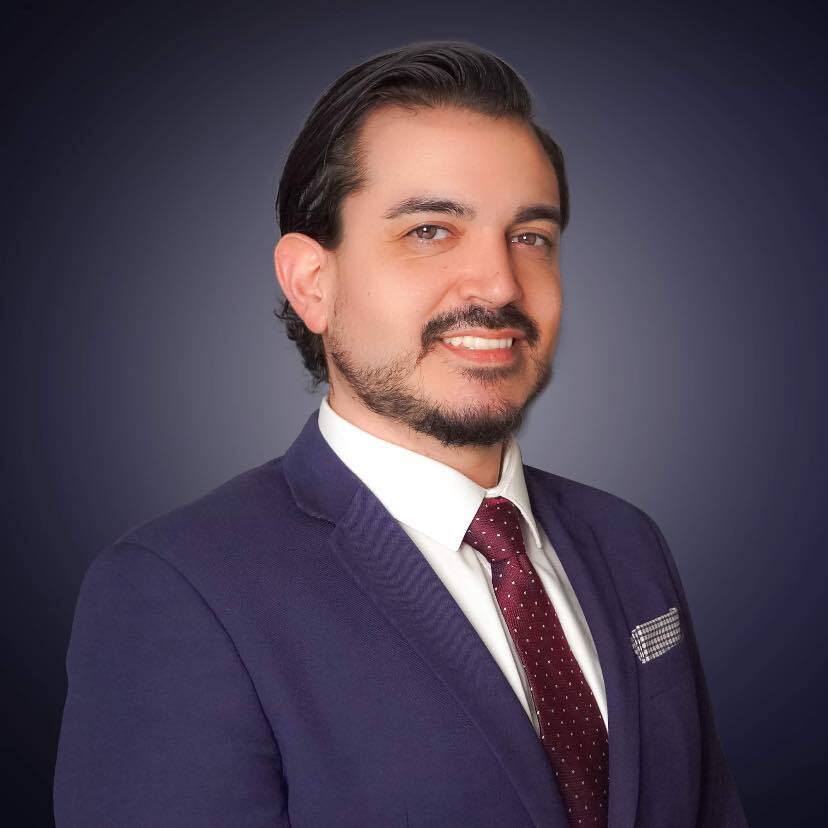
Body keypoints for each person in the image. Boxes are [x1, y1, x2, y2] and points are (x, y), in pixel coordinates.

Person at [54, 41, 747, 827]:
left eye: (530, 237)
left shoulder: (627, 541)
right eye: (429, 231)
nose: (500, 284)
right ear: (312, 283)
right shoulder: (178, 593)